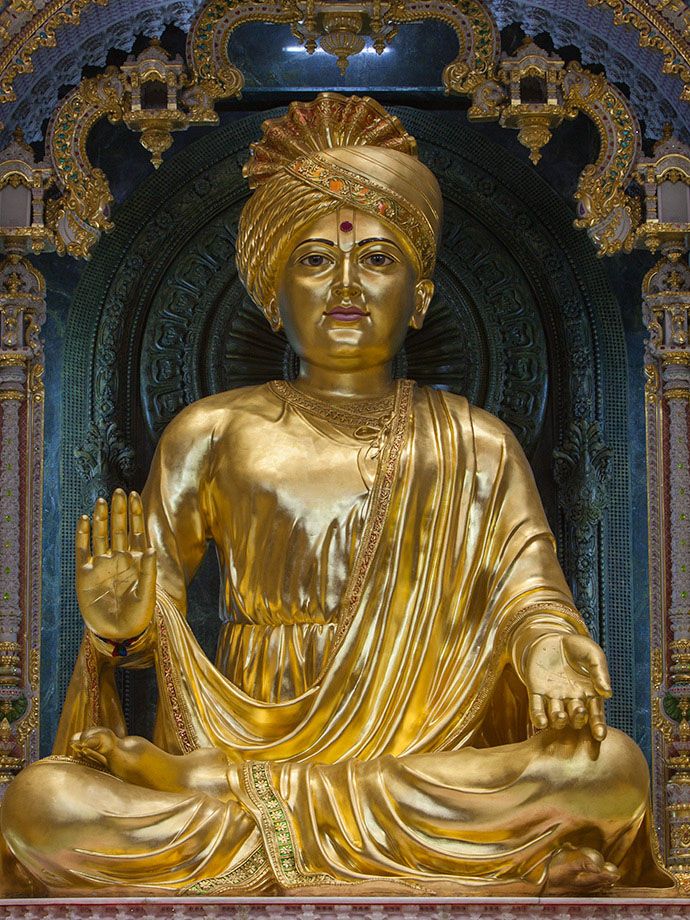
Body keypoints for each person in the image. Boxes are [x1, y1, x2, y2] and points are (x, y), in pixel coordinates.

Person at [0, 94, 675, 897]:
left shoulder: (477, 443)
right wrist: (121, 631)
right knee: (41, 803)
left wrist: (549, 652)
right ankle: (266, 800)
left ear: (420, 299)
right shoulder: (212, 432)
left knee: (610, 771)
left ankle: (242, 805)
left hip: (425, 750)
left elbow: (530, 594)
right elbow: (158, 622)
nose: (346, 282)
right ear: (269, 293)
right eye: (315, 260)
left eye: (378, 259)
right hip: (246, 730)